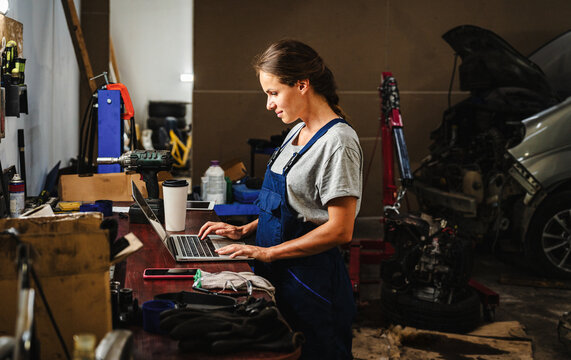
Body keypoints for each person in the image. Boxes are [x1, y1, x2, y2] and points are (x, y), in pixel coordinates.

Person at [198, 39, 363, 359]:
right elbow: (293, 208)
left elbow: (340, 230)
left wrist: (268, 252)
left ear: (302, 85)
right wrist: (246, 231)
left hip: (310, 282)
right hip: (277, 272)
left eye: (273, 93)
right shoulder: (295, 132)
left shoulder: (338, 142)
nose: (269, 104)